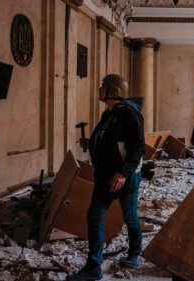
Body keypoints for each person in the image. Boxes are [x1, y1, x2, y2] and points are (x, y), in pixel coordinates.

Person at [67, 74, 145, 281]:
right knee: (95, 215)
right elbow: (107, 140)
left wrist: (123, 173)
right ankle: (93, 266)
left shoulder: (130, 114)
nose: (99, 89)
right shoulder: (109, 114)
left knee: (130, 216)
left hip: (124, 176)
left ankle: (134, 255)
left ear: (114, 91)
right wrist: (90, 144)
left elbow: (138, 148)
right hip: (104, 176)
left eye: (103, 86)